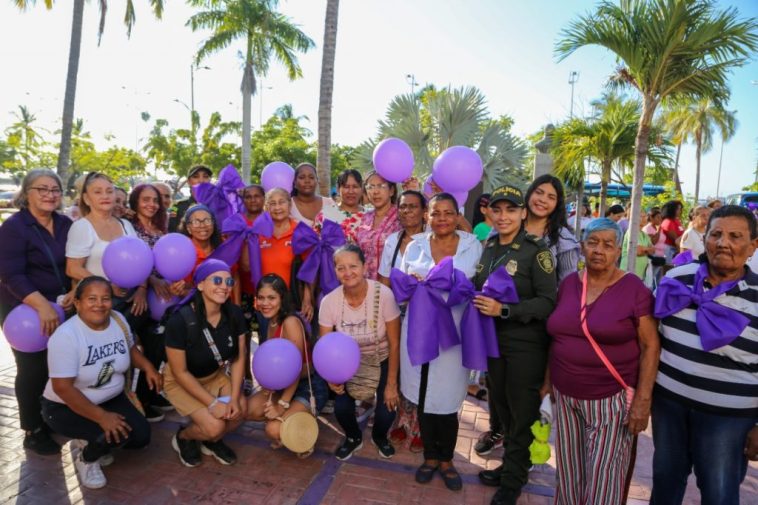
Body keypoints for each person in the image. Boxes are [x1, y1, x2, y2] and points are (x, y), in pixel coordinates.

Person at [546, 218, 659, 505]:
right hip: (566, 396)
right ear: (582, 247)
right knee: (569, 475)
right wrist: (547, 384)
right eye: (593, 242)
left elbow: (650, 345)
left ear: (618, 251)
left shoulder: (634, 289)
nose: (599, 250)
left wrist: (643, 401)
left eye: (608, 245)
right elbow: (558, 335)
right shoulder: (570, 284)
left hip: (610, 400)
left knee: (603, 482)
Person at [651, 205, 758, 505]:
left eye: (736, 236)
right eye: (716, 234)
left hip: (728, 419)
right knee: (664, 486)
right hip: (669, 408)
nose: (724, 242)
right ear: (704, 237)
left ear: (753, 246)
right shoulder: (677, 278)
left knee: (719, 494)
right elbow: (650, 337)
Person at [471, 185, 557, 504]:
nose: (503, 216)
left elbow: (549, 302)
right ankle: (511, 464)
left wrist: (505, 310)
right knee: (502, 407)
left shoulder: (536, 251)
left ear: (523, 213)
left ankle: (513, 480)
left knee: (522, 411)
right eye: (498, 210)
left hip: (525, 344)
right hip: (492, 340)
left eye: (511, 210)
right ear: (490, 214)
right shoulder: (490, 246)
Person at [41, 276, 160, 489]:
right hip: (64, 406)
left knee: (141, 436)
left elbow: (130, 350)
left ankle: (95, 438)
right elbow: (63, 388)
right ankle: (87, 458)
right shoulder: (65, 336)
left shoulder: (118, 320)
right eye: (92, 299)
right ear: (77, 303)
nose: (99, 304)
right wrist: (102, 418)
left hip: (110, 397)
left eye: (105, 298)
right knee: (109, 431)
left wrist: (149, 367)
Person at [399, 193, 482, 492]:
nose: (442, 218)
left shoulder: (473, 245)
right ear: (427, 216)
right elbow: (404, 283)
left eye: (449, 213)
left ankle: (447, 459)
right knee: (423, 392)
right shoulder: (415, 245)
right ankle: (430, 457)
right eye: (436, 213)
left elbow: (478, 284)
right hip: (420, 326)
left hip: (455, 329)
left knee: (448, 396)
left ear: (458, 215)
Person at [65, 172, 158, 419]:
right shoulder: (82, 227)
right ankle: (96, 416)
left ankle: (136, 403)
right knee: (101, 363)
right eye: (97, 191)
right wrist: (107, 287)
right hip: (100, 306)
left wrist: (141, 289)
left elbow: (141, 259)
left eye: (109, 190)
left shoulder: (125, 225)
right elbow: (73, 267)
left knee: (141, 350)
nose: (105, 196)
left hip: (131, 302)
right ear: (86, 197)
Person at [0, 169, 73, 455]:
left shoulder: (66, 223)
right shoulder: (14, 227)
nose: (49, 195)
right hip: (23, 309)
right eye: (42, 189)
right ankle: (31, 429)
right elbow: (10, 274)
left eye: (55, 189)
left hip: (62, 304)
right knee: (32, 368)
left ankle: (47, 416)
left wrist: (73, 293)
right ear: (26, 192)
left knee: (56, 365)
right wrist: (42, 306)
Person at [162, 259, 250, 467]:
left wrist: (235, 398)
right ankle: (185, 437)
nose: (224, 287)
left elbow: (239, 358)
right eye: (217, 280)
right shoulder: (180, 321)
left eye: (229, 282)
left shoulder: (234, 314)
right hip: (182, 381)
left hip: (214, 376)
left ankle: (210, 441)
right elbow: (181, 372)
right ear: (200, 285)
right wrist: (213, 404)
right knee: (215, 426)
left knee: (240, 411)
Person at [318, 244, 402, 460]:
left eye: (353, 266)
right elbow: (326, 347)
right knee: (342, 408)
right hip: (347, 364)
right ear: (335, 271)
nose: (348, 273)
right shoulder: (329, 302)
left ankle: (379, 436)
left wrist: (391, 384)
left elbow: (394, 343)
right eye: (341, 268)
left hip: (381, 358)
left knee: (387, 409)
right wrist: (331, 379)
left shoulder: (383, 295)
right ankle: (353, 437)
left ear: (364, 267)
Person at [248, 273, 329, 453]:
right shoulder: (270, 323)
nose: (265, 303)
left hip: (308, 386)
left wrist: (281, 405)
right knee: (249, 409)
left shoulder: (290, 322)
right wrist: (270, 385)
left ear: (282, 298)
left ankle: (301, 429)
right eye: (261, 298)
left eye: (271, 298)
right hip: (284, 386)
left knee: (273, 430)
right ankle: (290, 421)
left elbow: (295, 369)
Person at [128, 183, 174, 415]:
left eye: (155, 200)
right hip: (137, 297)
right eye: (146, 199)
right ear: (135, 201)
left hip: (163, 299)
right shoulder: (127, 227)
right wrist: (151, 281)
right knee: (136, 349)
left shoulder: (161, 228)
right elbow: (130, 261)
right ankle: (137, 403)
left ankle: (150, 394)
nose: (152, 204)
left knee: (158, 349)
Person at [261, 188, 314, 321]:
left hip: (292, 303)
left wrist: (307, 300)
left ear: (289, 205)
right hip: (264, 304)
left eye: (281, 202)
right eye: (272, 203)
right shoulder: (258, 232)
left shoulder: (301, 231)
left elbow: (310, 270)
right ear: (266, 207)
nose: (277, 207)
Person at [523, 174, 581, 283]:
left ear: (557, 204)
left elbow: (567, 284)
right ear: (530, 193)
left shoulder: (563, 239)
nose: (543, 200)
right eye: (539, 193)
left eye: (551, 197)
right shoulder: (508, 226)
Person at [356, 171, 402, 280]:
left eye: (381, 186)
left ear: (391, 190)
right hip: (365, 285)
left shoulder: (402, 216)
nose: (375, 191)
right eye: (370, 187)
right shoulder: (365, 218)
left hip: (393, 286)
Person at [176, 204, 223, 293]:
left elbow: (234, 276)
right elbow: (183, 289)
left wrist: (236, 305)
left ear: (213, 224)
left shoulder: (222, 247)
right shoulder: (182, 252)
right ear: (188, 228)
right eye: (196, 222)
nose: (202, 225)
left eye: (207, 220)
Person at [315, 169, 364, 242]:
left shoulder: (370, 216)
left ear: (362, 188)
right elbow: (315, 245)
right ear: (338, 188)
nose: (351, 191)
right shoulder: (325, 214)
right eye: (346, 187)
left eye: (355, 186)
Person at [290, 162, 339, 228]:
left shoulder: (329, 203)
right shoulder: (288, 206)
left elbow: (341, 230)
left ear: (317, 181)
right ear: (295, 183)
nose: (307, 181)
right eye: (302, 177)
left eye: (311, 177)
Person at [169, 165, 212, 232]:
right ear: (188, 181)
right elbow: (172, 231)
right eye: (196, 177)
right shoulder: (176, 207)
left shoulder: (217, 205)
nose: (201, 180)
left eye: (205, 177)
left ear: (210, 180)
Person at [621, 208, 656, 282]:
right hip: (628, 273)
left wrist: (645, 249)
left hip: (639, 276)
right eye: (641, 216)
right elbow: (637, 251)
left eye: (645, 216)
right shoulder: (631, 231)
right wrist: (646, 250)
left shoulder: (644, 234)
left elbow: (653, 250)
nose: (645, 218)